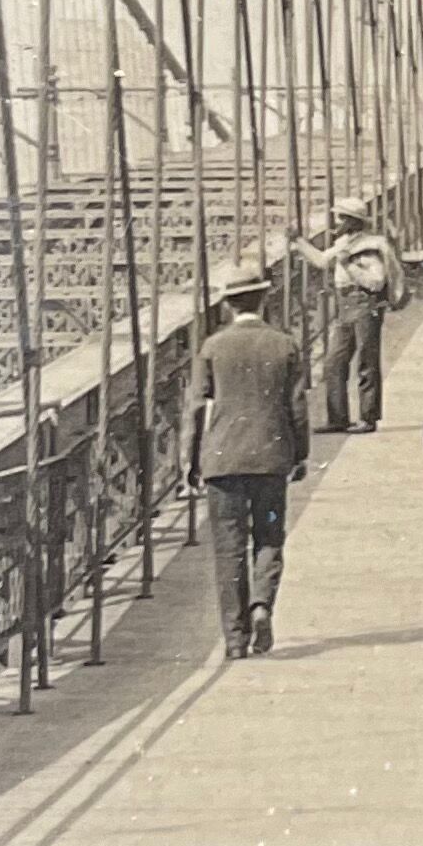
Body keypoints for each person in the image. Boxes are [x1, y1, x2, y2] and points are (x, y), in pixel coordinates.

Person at [182, 261, 309, 658]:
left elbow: (195, 408)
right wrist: (299, 454)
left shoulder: (212, 347)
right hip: (270, 460)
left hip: (223, 462)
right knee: (269, 536)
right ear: (264, 299)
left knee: (229, 548)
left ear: (228, 305)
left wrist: (190, 460)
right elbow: (298, 407)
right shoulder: (284, 345)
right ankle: (262, 605)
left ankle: (235, 640)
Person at [298, 197, 403, 431]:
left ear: (353, 221)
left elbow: (376, 282)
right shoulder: (345, 243)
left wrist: (349, 266)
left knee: (367, 361)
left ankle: (368, 418)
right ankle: (338, 418)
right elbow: (322, 261)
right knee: (334, 362)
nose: (336, 222)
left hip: (365, 303)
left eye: (341, 218)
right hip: (345, 304)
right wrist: (298, 241)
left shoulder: (369, 247)